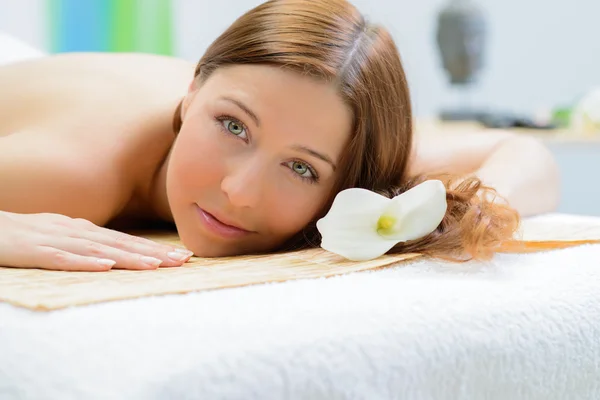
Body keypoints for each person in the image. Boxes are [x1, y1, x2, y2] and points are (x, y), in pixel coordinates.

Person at [0, 0, 559, 272]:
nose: (240, 192)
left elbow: (523, 153)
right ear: (192, 91)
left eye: (302, 169)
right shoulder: (72, 170)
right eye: (233, 126)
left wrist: (468, 215)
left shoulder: (319, 120)